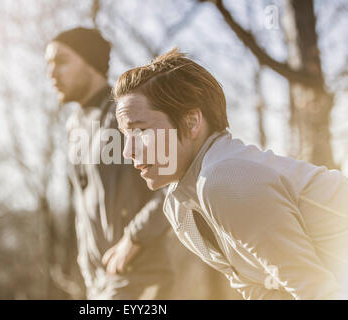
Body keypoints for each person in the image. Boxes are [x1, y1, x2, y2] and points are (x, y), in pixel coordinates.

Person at [113, 48, 348, 299]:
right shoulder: (179, 207)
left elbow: (316, 291)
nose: (128, 151)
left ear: (192, 122)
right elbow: (258, 290)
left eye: (140, 131)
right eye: (126, 136)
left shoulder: (225, 178)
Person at [44, 27, 175, 299]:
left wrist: (134, 238)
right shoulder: (74, 125)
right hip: (100, 282)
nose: (52, 73)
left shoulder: (126, 113)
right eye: (49, 64)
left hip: (141, 275)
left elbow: (173, 182)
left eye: (61, 61)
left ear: (90, 63)